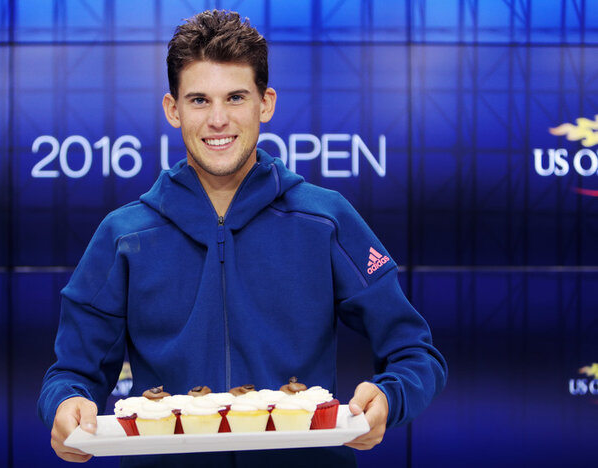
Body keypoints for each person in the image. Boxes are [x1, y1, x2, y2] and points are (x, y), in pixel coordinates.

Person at [38, 9, 447, 467]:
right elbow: (71, 373)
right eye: (198, 100)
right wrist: (64, 404)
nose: (218, 120)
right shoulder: (124, 235)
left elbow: (416, 353)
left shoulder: (325, 219)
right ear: (172, 109)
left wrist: (391, 397)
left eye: (235, 97)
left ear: (265, 103)